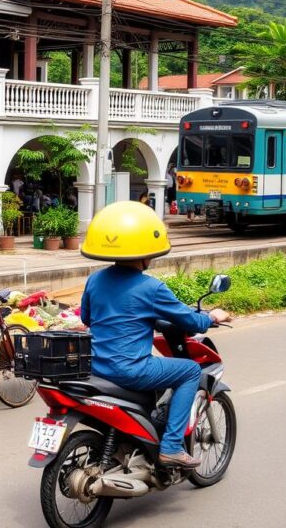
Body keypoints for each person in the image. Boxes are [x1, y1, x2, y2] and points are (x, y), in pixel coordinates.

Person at [79, 201, 232, 469]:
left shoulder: (94, 280)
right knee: (189, 371)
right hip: (130, 369)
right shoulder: (151, 287)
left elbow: (86, 318)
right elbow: (190, 321)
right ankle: (171, 447)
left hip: (97, 366)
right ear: (144, 251)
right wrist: (213, 316)